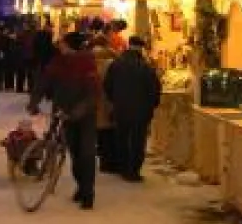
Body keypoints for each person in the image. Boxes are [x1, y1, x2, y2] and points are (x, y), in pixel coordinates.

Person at [30, 31, 99, 210]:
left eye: (61, 42)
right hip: (63, 114)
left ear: (69, 45)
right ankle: (82, 187)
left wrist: (76, 113)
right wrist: (34, 102)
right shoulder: (58, 62)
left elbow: (92, 94)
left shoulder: (87, 63)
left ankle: (87, 193)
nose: (58, 45)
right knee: (75, 153)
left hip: (85, 116)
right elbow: (43, 81)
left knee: (86, 154)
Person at [104, 36, 162, 182]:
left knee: (122, 138)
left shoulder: (116, 64)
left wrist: (114, 100)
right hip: (141, 110)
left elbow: (107, 85)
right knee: (138, 140)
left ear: (128, 46)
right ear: (141, 48)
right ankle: (134, 170)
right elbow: (154, 89)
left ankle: (123, 168)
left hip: (121, 108)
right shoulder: (146, 67)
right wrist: (152, 105)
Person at [91, 33, 118, 173]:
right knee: (111, 134)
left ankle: (104, 163)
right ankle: (111, 162)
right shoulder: (113, 62)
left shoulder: (90, 61)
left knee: (101, 134)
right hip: (110, 102)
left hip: (95, 102)